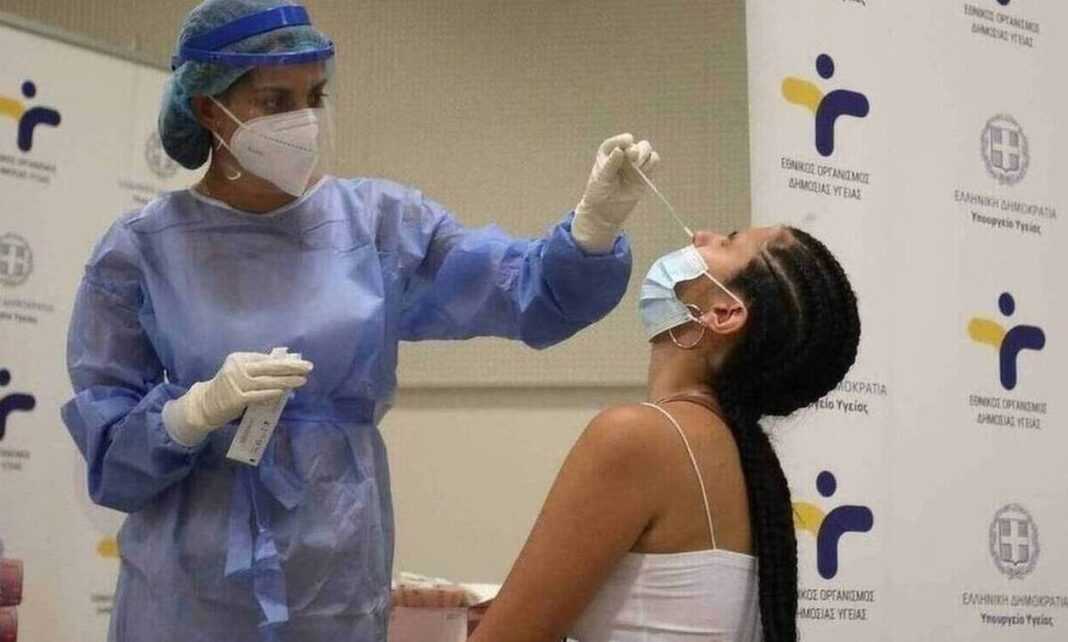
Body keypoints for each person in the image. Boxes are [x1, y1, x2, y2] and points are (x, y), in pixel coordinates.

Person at [59, 1, 659, 640]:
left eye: (314, 96)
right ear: (209, 110)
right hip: (186, 596)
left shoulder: (377, 227)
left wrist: (592, 232)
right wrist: (188, 415)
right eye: (274, 100)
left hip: (333, 586)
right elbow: (111, 458)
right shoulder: (141, 250)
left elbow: (522, 292)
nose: (303, 120)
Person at [465, 225, 860, 642]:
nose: (702, 236)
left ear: (725, 313)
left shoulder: (640, 438)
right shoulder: (742, 459)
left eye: (727, 242)